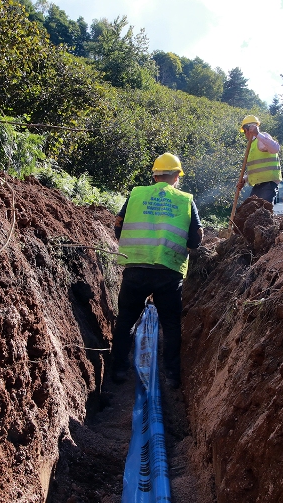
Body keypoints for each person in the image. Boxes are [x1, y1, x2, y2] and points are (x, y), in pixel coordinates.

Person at [111, 153, 203, 389]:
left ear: (154, 175)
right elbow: (196, 240)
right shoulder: (184, 200)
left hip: (136, 268)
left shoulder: (136, 195)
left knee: (126, 321)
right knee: (171, 325)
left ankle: (118, 370)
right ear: (176, 176)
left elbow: (119, 226)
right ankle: (172, 375)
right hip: (168, 271)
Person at [238, 115, 281, 203]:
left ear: (246, 130)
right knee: (250, 209)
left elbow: (275, 149)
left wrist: (257, 134)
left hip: (268, 183)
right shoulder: (251, 145)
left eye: (244, 132)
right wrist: (244, 180)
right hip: (258, 185)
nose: (245, 135)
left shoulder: (262, 138)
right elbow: (257, 169)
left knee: (261, 211)